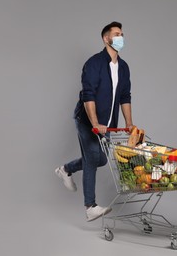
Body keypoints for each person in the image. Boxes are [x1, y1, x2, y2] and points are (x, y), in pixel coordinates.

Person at [55, 21, 134, 222]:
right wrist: (95, 123)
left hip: (106, 123)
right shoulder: (93, 64)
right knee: (91, 157)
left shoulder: (123, 68)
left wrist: (130, 123)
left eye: (122, 34)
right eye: (116, 34)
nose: (120, 38)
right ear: (106, 38)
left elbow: (125, 96)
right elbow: (88, 95)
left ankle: (66, 169)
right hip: (87, 119)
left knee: (102, 159)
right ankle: (90, 206)